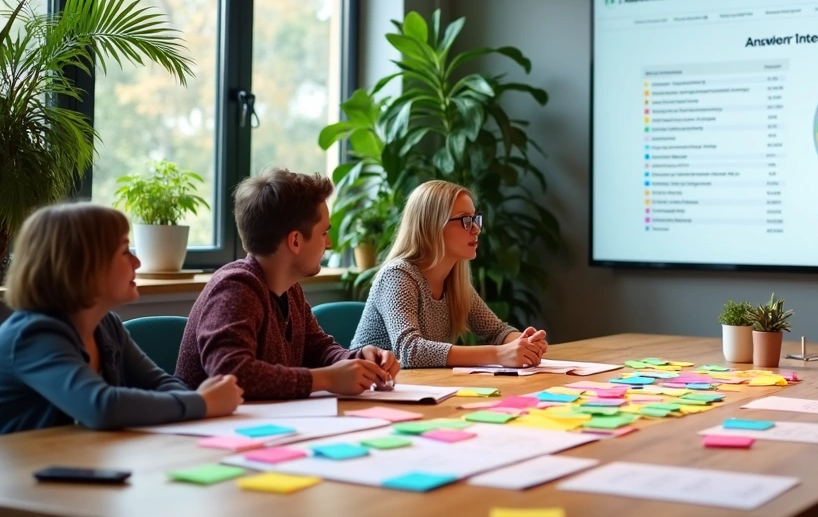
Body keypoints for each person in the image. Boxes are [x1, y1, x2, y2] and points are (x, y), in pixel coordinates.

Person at [0, 204, 243, 434]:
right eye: (125, 250)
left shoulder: (107, 325)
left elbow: (161, 383)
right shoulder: (33, 335)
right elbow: (101, 407)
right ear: (83, 265)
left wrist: (198, 402)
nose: (137, 262)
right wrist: (202, 403)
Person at [176, 168, 400, 399]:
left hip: (263, 425)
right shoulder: (235, 287)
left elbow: (317, 349)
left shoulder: (290, 289)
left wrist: (357, 359)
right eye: (324, 233)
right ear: (295, 241)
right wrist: (327, 379)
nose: (330, 243)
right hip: (213, 431)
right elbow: (231, 374)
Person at [351, 180, 548, 368]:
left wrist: (525, 344)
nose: (476, 229)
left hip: (420, 388)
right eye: (465, 220)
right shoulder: (397, 275)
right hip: (371, 392)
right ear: (432, 226)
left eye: (475, 218)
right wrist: (498, 354)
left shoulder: (454, 280)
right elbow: (410, 351)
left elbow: (496, 331)